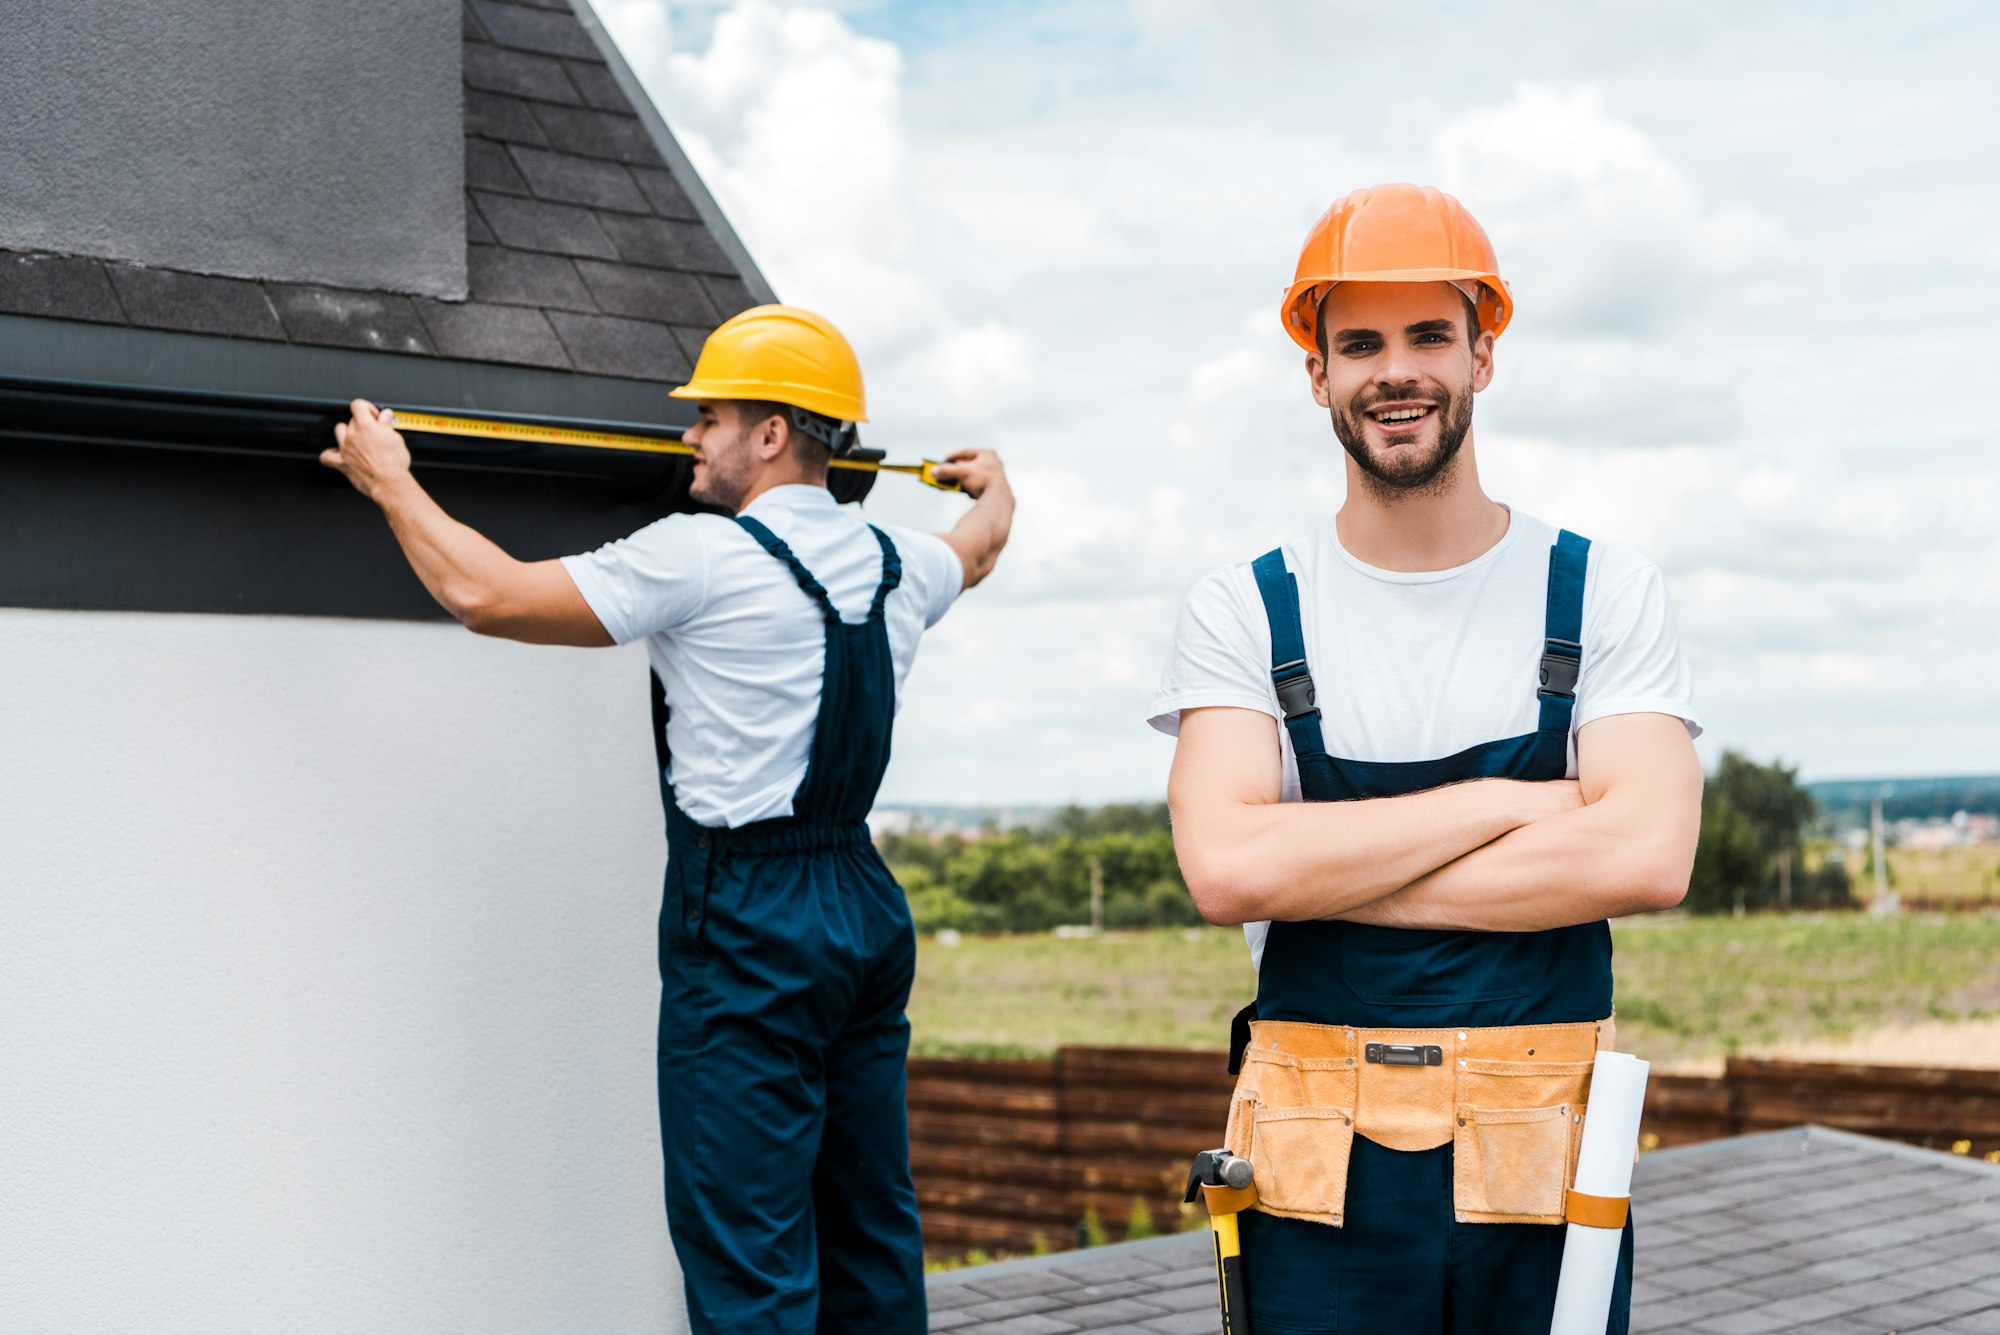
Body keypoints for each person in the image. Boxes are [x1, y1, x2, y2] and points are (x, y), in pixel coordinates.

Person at [322, 304, 1015, 1334]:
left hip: (746, 922)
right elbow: (981, 545)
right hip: (862, 912)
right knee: (869, 1235)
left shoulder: (701, 556)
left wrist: (388, 476)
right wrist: (997, 487)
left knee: (751, 1258)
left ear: (772, 433)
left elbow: (488, 593)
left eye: (710, 417)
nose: (688, 435)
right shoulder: (898, 563)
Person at [1151, 184, 1701, 1334]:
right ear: (1315, 373)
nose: (1392, 371)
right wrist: (1507, 804)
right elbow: (1227, 874)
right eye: (1357, 343)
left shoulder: (1602, 589)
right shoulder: (1243, 607)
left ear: (1480, 354)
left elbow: (1646, 856)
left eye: (1426, 337)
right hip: (1311, 1167)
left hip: (1540, 1155)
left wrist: (1329, 871)